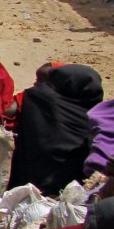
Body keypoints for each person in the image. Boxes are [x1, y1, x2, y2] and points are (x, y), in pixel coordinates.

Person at [10, 64, 104, 196]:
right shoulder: (100, 118)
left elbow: (7, 111)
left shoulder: (37, 99)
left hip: (23, 189)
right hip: (73, 195)